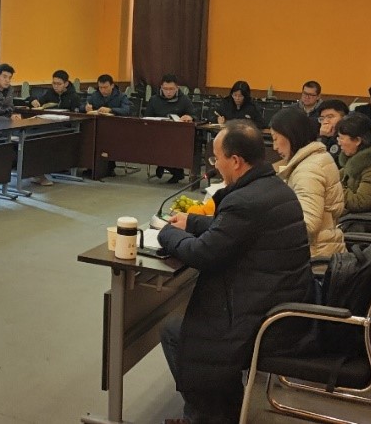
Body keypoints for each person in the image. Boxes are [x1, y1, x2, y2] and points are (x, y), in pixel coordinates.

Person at [157, 120, 315, 424]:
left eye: (216, 158)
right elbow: (235, 229)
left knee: (177, 333)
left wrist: (167, 233)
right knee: (188, 328)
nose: (214, 165)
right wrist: (191, 222)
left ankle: (208, 416)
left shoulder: (245, 200)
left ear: (236, 161)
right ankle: (216, 411)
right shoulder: (272, 187)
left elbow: (203, 254)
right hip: (283, 299)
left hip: (266, 318)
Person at [270, 108, 346, 257]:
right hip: (327, 247)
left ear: (290, 135)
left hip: (314, 255)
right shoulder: (317, 158)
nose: (275, 147)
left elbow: (308, 225)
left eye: (275, 138)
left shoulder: (308, 170)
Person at [144, 74, 197, 184]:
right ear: (161, 88)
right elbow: (147, 116)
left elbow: (193, 115)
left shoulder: (184, 100)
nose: (168, 92)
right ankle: (167, 166)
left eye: (171, 89)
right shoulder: (154, 100)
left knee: (170, 145)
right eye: (165, 89)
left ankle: (169, 168)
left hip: (178, 136)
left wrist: (189, 117)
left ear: (177, 88)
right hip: (157, 134)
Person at [85, 74, 132, 177]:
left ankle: (109, 167)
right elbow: (82, 106)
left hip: (115, 128)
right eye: (100, 87)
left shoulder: (121, 96)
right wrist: (86, 108)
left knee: (108, 139)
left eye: (105, 87)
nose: (103, 90)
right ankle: (92, 166)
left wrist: (111, 110)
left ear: (112, 86)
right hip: (97, 127)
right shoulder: (95, 95)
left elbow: (127, 110)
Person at [316, 99, 349, 163]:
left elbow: (329, 161)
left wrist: (323, 137)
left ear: (344, 118)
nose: (325, 122)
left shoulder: (349, 137)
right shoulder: (318, 134)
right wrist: (322, 137)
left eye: (330, 117)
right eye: (322, 119)